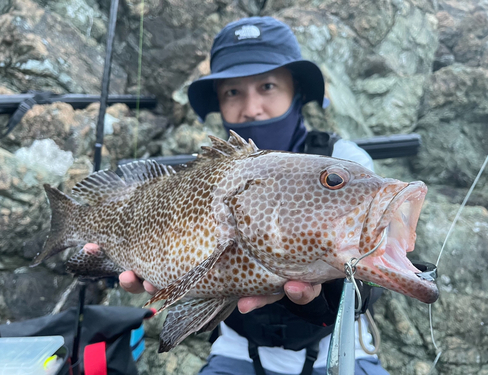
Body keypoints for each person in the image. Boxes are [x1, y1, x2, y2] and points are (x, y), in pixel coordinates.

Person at [102, 16, 388, 375]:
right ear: (219, 103)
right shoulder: (198, 177)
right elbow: (169, 246)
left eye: (267, 86)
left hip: (340, 351)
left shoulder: (345, 165)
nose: (251, 108)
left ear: (296, 90)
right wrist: (116, 256)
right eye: (233, 92)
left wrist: (325, 301)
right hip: (237, 353)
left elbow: (377, 263)